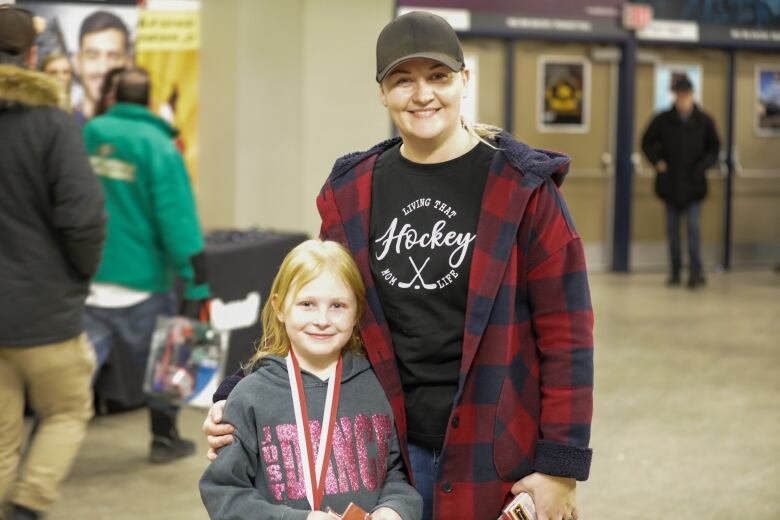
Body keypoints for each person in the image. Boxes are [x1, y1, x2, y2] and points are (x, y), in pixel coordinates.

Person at [204, 11, 593, 520]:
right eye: (402, 80)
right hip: (381, 450)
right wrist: (239, 391)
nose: (422, 94)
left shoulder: (523, 190)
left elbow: (568, 335)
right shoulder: (352, 192)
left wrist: (560, 466)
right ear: (382, 93)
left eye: (438, 76)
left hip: (494, 449)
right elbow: (321, 307)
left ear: (464, 81)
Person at [199, 240, 422, 520]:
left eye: (338, 306)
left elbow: (395, 474)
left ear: (357, 313)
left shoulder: (378, 385)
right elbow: (223, 493)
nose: (322, 320)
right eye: (307, 304)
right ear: (280, 308)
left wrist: (394, 509)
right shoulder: (250, 396)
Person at [0, 6, 106, 520]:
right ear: (34, 56)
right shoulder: (51, 123)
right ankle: (27, 508)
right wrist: (78, 276)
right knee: (67, 409)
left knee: (1, 435)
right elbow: (83, 219)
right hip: (45, 311)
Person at [82, 67, 210, 464]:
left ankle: (33, 446)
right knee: (166, 365)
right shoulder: (158, 145)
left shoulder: (85, 134)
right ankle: (164, 439)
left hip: (87, 280)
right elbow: (176, 220)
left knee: (71, 380)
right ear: (149, 99)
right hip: (143, 284)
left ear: (111, 96)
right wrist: (196, 280)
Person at [641, 75, 720, 288]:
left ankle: (696, 272)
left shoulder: (704, 121)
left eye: (686, 95)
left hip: (694, 185)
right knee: (673, 232)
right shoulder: (663, 119)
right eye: (679, 95)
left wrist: (703, 165)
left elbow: (715, 148)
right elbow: (646, 142)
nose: (682, 99)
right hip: (670, 184)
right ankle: (675, 271)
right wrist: (657, 162)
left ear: (692, 95)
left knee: (693, 229)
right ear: (675, 96)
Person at [74, 10, 130, 125]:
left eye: (113, 56)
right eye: (92, 56)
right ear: (78, 63)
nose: (103, 69)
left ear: (128, 63)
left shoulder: (142, 133)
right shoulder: (60, 130)